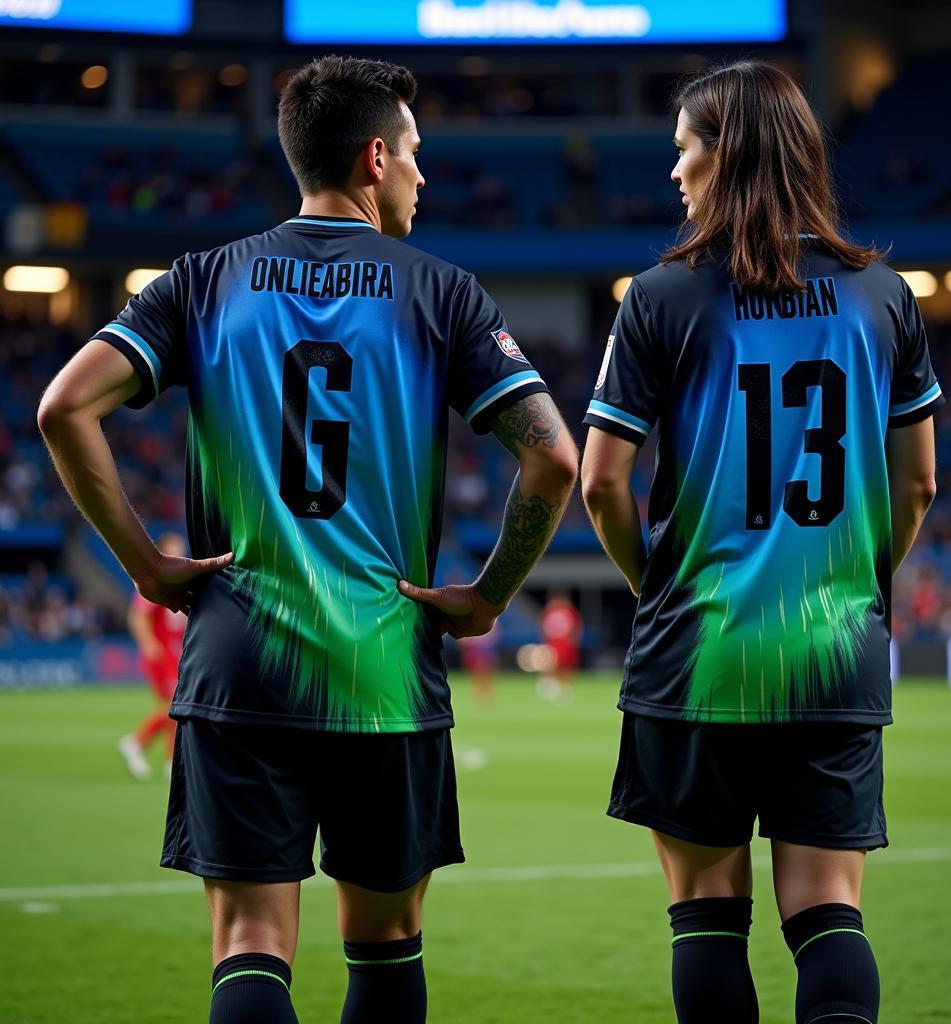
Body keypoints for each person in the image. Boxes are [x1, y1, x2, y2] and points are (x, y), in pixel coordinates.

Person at [38, 55, 577, 1024]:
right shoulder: (442, 292)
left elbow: (64, 407)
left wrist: (147, 565)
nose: (421, 172)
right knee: (385, 946)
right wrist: (490, 594)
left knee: (250, 944)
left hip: (238, 664)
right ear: (375, 157)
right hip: (383, 672)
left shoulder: (202, 281)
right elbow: (553, 460)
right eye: (414, 153)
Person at [580, 61, 941, 1024]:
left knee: (705, 917)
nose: (675, 172)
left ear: (723, 151)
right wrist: (856, 579)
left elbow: (600, 480)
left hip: (698, 652)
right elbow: (919, 483)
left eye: (684, 148)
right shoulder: (885, 295)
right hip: (834, 651)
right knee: (829, 916)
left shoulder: (660, 296)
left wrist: (655, 584)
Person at [118, 531, 188, 780]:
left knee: (178, 708)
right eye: (176, 546)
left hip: (176, 653)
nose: (181, 551)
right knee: (174, 706)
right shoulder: (157, 578)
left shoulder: (179, 578)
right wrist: (148, 643)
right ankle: (136, 743)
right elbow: (138, 615)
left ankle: (171, 763)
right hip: (163, 654)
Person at [537, 590, 583, 700]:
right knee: (550, 664)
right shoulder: (548, 611)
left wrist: (573, 640)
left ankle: (566, 687)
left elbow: (576, 627)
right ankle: (549, 685)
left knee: (566, 665)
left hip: (565, 643)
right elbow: (543, 626)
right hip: (552, 642)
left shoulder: (569, 611)